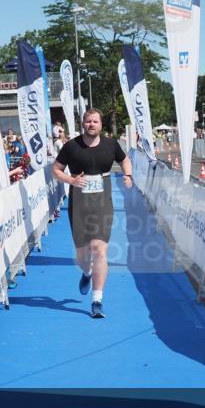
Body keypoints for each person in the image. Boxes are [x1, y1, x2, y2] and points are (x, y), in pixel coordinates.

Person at [52, 108, 132, 319]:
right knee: (82, 255)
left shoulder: (111, 144)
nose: (91, 125)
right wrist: (70, 180)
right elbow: (56, 169)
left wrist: (128, 175)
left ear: (101, 124)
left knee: (99, 249)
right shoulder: (71, 146)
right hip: (79, 202)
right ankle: (86, 272)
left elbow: (124, 160)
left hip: (102, 202)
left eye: (95, 121)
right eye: (88, 121)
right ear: (83, 124)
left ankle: (97, 300)